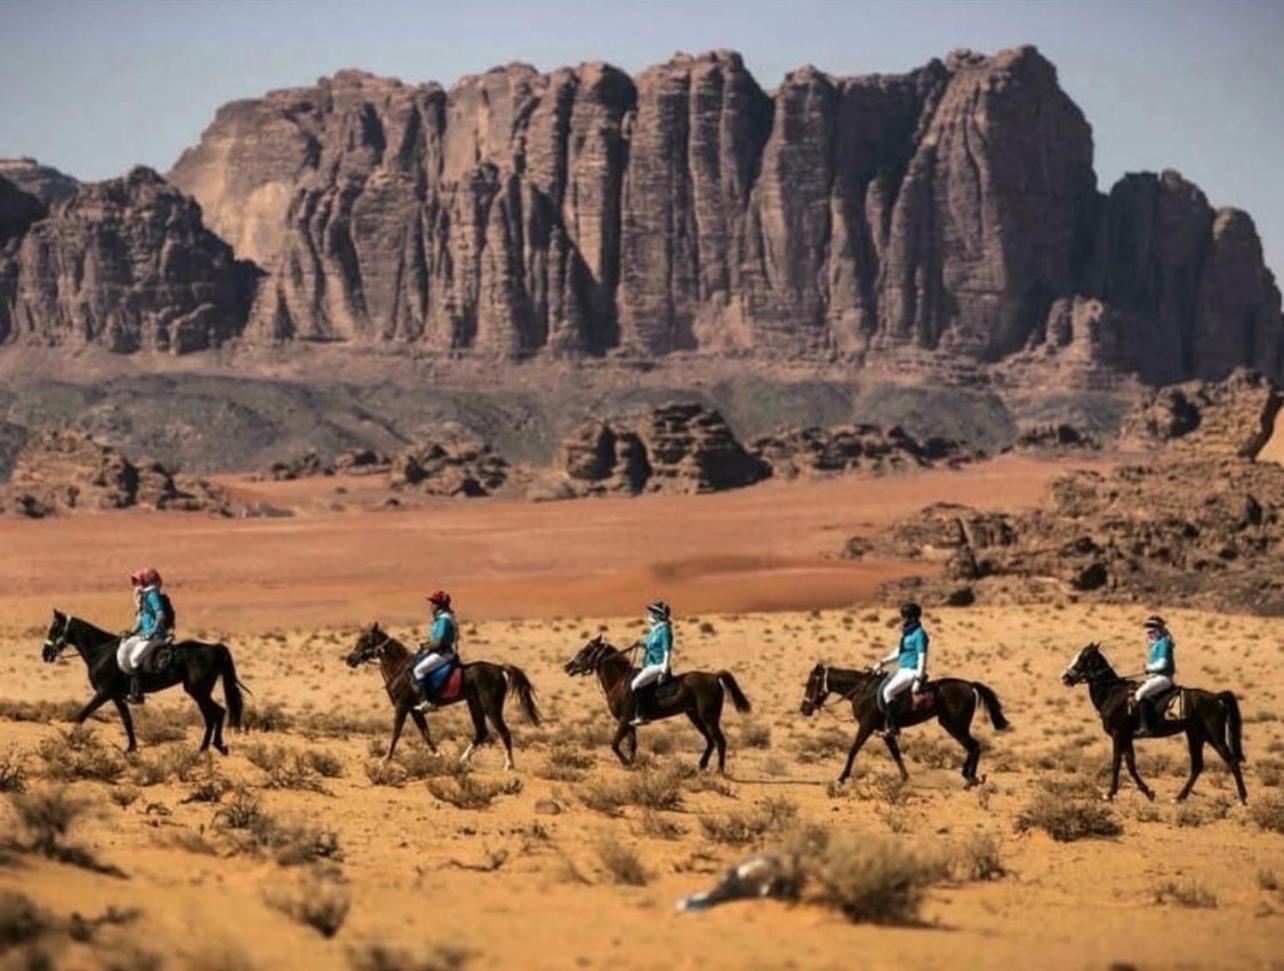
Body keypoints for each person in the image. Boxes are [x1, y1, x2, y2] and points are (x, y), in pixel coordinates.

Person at [117, 567, 172, 704]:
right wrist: (131, 632)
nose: (136, 584)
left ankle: (138, 694)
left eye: (139, 581)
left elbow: (160, 615)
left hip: (155, 635)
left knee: (135, 659)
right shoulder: (144, 595)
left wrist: (154, 631)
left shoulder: (152, 594)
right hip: (144, 634)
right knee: (126, 649)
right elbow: (142, 620)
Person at [876, 602, 929, 737]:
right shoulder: (907, 634)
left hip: (912, 671)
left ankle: (893, 727)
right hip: (902, 669)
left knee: (888, 692)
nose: (902, 619)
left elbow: (922, 657)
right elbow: (899, 652)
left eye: (905, 616)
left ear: (912, 617)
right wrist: (883, 662)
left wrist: (919, 678)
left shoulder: (919, 634)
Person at [626, 601, 674, 726]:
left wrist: (664, 669)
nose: (649, 615)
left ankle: (642, 715)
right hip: (650, 664)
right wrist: (640, 644)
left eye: (652, 613)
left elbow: (667, 650)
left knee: (635, 684)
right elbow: (650, 645)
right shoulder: (655, 630)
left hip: (658, 665)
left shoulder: (665, 631)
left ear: (659, 615)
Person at [412, 590, 459, 711]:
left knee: (418, 670)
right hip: (440, 652)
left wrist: (426, 646)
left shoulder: (444, 620)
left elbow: (439, 643)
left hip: (442, 654)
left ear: (440, 606)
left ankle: (426, 702)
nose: (431, 606)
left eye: (434, 603)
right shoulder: (442, 618)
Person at [1134, 615, 1175, 736]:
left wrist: (1148, 668)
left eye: (1152, 632)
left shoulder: (1164, 643)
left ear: (1159, 630)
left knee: (1140, 694)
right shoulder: (1156, 644)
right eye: (1148, 632)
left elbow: (1163, 663)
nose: (1149, 635)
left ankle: (1145, 726)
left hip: (1163, 678)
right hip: (1155, 677)